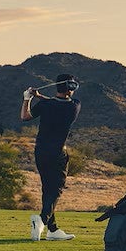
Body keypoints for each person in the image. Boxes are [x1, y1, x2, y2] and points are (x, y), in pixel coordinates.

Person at [20, 73, 82, 241]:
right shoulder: (75, 106)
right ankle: (41, 220)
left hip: (40, 151)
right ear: (70, 89)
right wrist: (41, 97)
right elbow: (60, 104)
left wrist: (28, 98)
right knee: (57, 188)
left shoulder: (45, 105)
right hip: (58, 153)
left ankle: (53, 230)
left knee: (48, 189)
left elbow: (25, 117)